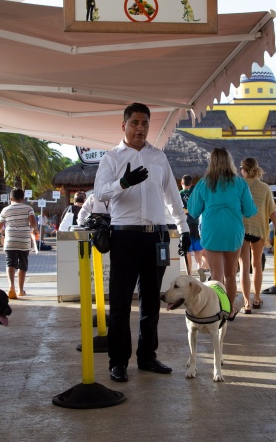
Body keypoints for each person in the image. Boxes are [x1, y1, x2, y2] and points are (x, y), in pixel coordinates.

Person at [94, 102, 190, 383]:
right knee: (122, 301)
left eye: (145, 123)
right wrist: (122, 183)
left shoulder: (159, 157)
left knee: (151, 300)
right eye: (135, 123)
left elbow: (172, 195)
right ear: (123, 125)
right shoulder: (111, 158)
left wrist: (183, 228)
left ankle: (147, 356)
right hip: (125, 235)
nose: (140, 128)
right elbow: (100, 193)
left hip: (157, 235)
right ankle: (118, 362)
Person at [187, 147, 256, 319]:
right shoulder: (240, 183)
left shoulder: (204, 183)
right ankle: (230, 310)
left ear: (212, 162)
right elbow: (249, 210)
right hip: (233, 230)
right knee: (231, 274)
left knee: (216, 275)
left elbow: (193, 210)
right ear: (230, 161)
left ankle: (216, 311)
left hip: (211, 230)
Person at [238, 157, 276, 313]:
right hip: (258, 230)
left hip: (241, 229)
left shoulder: (239, 185)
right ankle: (256, 298)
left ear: (243, 170)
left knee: (244, 266)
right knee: (256, 265)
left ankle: (246, 303)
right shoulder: (265, 188)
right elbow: (272, 212)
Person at [0, 188, 39, 300]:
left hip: (10, 240)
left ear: (11, 198)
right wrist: (35, 229)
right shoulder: (28, 208)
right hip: (24, 240)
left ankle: (11, 286)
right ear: (23, 198)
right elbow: (33, 221)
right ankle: (20, 290)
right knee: (22, 264)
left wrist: (3, 230)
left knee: (10, 263)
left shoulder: (5, 210)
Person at [180, 175, 207, 280]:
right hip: (196, 223)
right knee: (198, 250)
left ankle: (189, 273)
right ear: (191, 184)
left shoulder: (180, 194)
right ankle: (200, 266)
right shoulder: (195, 193)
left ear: (182, 183)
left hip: (185, 224)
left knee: (187, 250)